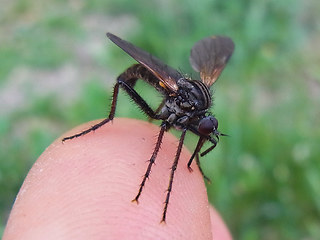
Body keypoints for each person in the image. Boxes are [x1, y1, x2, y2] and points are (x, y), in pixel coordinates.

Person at [3, 118, 232, 240]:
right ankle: (107, 122)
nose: (205, 134)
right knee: (159, 121)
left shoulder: (195, 119)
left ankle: (190, 164)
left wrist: (195, 160)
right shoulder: (185, 113)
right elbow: (167, 125)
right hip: (168, 88)